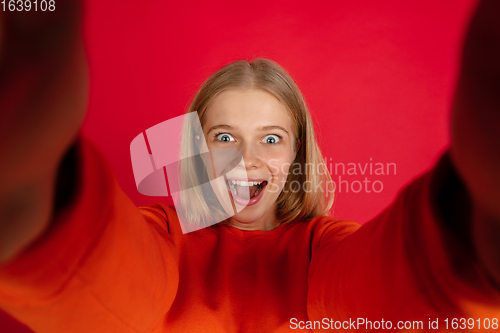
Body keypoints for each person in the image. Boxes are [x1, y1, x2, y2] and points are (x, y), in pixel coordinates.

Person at [0, 1, 499, 332]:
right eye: (223, 138)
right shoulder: (163, 236)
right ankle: (36, 201)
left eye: (271, 138)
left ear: (297, 153)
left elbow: (369, 290)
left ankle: (474, 242)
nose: (246, 159)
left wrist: (462, 244)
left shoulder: (321, 249)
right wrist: (43, 204)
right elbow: (122, 283)